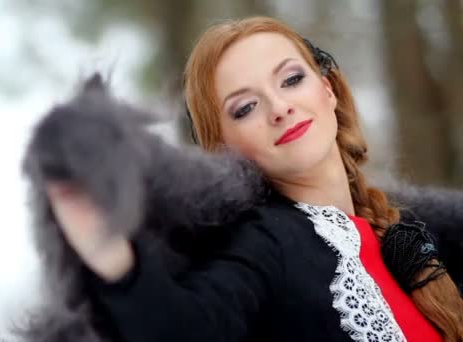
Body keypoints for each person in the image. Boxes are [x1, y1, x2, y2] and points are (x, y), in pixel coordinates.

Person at [44, 16, 463, 342]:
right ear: (225, 150)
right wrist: (110, 254)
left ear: (328, 90)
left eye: (292, 80)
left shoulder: (411, 231)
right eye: (244, 108)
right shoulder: (266, 244)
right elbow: (182, 330)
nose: (279, 108)